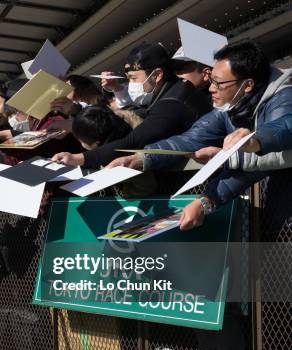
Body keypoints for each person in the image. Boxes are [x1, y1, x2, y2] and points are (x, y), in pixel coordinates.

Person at [106, 41, 291, 231]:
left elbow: (280, 135)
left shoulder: (283, 98)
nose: (211, 88)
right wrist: (141, 158)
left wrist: (253, 142)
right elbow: (190, 138)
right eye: (211, 79)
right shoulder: (230, 106)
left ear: (247, 85)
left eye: (218, 82)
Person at [52, 42, 212, 170]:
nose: (131, 85)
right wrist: (76, 110)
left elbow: (133, 141)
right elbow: (118, 118)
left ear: (157, 75)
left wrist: (79, 158)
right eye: (128, 79)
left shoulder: (173, 102)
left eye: (134, 78)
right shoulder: (167, 92)